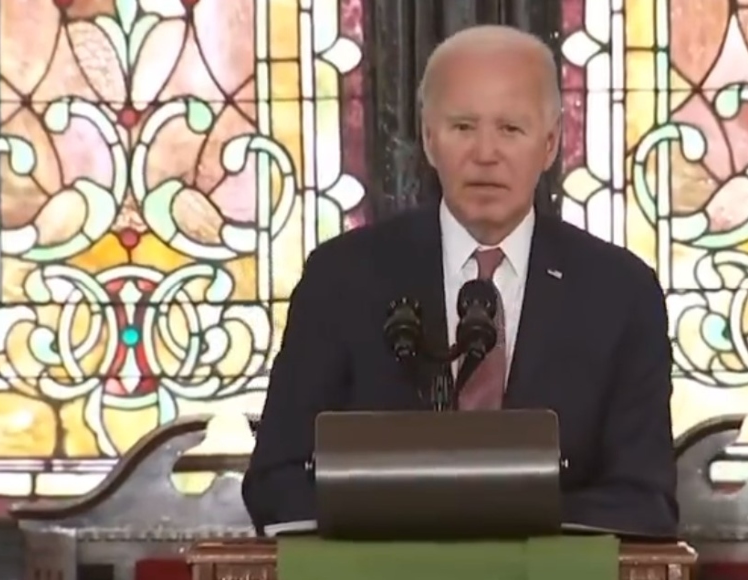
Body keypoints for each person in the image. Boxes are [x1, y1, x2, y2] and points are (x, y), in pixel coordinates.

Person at [242, 25, 678, 536]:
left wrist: (483, 515)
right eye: (463, 127)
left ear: (552, 142)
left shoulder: (619, 293)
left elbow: (644, 499)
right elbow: (276, 482)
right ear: (429, 138)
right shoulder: (341, 279)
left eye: (511, 129)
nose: (485, 153)